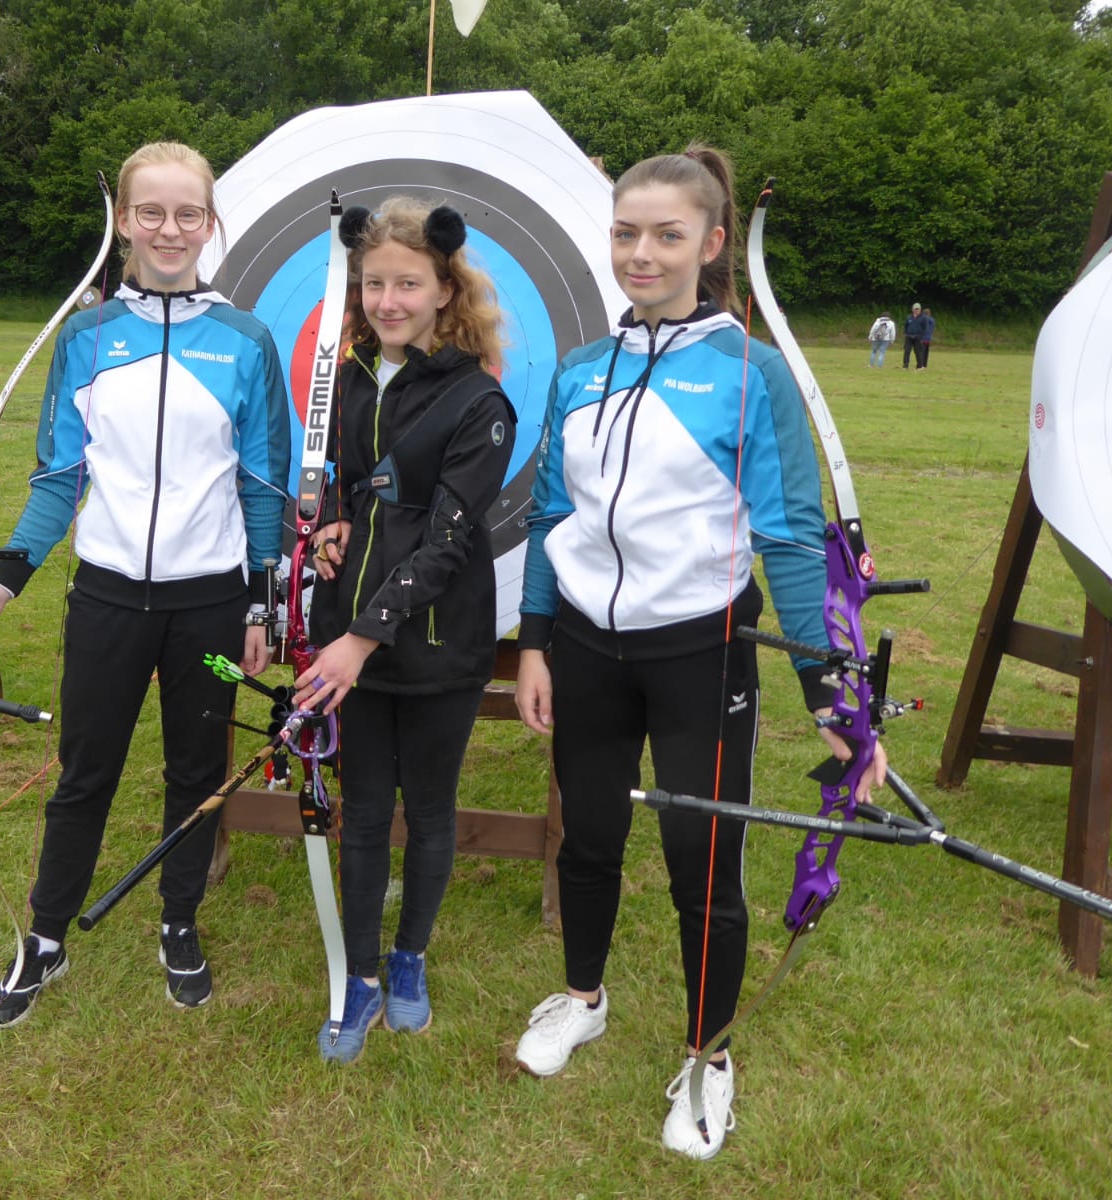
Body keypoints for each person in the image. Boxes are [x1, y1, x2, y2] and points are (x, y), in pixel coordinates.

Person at [510, 144, 885, 1159]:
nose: (641, 252)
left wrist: (829, 693)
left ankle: (708, 1054)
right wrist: (535, 642)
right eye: (625, 232)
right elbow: (551, 517)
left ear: (712, 243)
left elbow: (791, 537)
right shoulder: (581, 369)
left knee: (701, 862)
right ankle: (582, 997)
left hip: (700, 655)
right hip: (584, 648)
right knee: (588, 836)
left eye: (666, 235)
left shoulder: (749, 374)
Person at [0, 142, 290, 1028]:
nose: (170, 230)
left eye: (188, 213)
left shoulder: (246, 340)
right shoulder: (86, 338)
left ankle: (178, 922)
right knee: (84, 770)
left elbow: (262, 481)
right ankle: (46, 936)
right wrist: (2, 586)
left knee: (198, 769)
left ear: (210, 223)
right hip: (107, 599)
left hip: (211, 606)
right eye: (151, 213)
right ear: (124, 221)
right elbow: (61, 477)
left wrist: (261, 603)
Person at [293, 197, 515, 1064]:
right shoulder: (351, 376)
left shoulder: (478, 399)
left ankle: (409, 957)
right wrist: (334, 526)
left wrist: (361, 637)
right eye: (374, 283)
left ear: (445, 289)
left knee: (427, 811)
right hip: (352, 635)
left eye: (408, 284)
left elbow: (449, 539)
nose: (388, 301)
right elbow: (353, 484)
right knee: (361, 814)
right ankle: (358, 977)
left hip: (433, 643)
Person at [901, 302, 923, 368]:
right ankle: (905, 365)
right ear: (912, 309)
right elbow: (906, 325)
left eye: (918, 309)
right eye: (915, 309)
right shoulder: (909, 317)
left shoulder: (923, 318)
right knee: (907, 351)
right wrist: (905, 333)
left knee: (918, 352)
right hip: (909, 337)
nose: (916, 310)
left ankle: (919, 366)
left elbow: (925, 327)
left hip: (918, 337)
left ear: (920, 310)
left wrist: (922, 335)